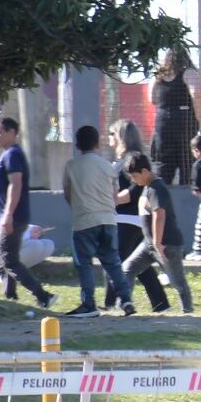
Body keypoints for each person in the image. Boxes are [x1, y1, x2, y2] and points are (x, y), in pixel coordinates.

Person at [61, 124, 125, 318]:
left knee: (84, 263)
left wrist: (80, 207)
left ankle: (89, 304)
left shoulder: (72, 165)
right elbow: (114, 195)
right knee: (113, 262)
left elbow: (68, 193)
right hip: (108, 220)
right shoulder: (109, 166)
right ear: (98, 143)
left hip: (84, 221)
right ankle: (127, 300)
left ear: (78, 145)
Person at [119, 153, 193, 313]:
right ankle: (126, 304)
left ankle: (188, 312)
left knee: (177, 282)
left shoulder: (157, 188)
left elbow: (159, 215)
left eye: (135, 176)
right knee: (127, 268)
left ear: (145, 172)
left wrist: (158, 243)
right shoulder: (147, 187)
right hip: (149, 244)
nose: (133, 180)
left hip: (167, 244)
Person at [108, 119, 168, 312]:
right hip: (127, 219)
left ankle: (112, 303)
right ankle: (161, 304)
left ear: (120, 136)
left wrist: (113, 199)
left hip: (128, 218)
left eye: (112, 133)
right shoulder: (122, 160)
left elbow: (136, 188)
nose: (108, 137)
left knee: (114, 262)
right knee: (141, 266)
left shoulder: (131, 159)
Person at [149, 50, 198, 185]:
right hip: (184, 119)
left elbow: (151, 98)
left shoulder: (158, 75)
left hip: (162, 119)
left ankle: (159, 196)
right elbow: (197, 94)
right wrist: (199, 117)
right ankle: (187, 197)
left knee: (163, 162)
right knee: (187, 160)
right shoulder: (188, 72)